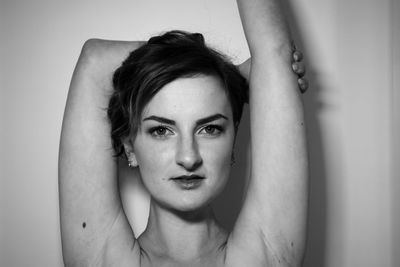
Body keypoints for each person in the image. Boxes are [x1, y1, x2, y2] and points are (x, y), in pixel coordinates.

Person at [59, 0, 309, 266]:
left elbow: (275, 53)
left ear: (233, 139)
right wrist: (227, 75)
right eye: (161, 130)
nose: (189, 158)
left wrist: (233, 79)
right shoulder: (101, 258)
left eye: (210, 129)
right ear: (130, 148)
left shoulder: (267, 256)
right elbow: (95, 59)